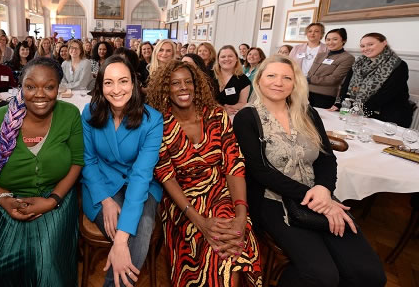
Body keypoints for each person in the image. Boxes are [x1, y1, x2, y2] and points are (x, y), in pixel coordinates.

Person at [233, 55, 386, 287]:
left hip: (318, 194)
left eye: (287, 77)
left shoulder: (308, 113)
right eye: (271, 75)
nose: (278, 82)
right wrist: (315, 198)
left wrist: (324, 190)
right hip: (272, 200)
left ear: (295, 83)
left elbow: (326, 158)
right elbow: (260, 171)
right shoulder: (247, 117)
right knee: (321, 275)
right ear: (259, 79)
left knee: (370, 274)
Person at [147, 61, 262, 286]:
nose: (183, 88)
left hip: (221, 192)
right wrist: (199, 221)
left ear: (197, 85)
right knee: (212, 246)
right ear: (165, 88)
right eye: (175, 83)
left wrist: (241, 215)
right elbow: (166, 175)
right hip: (182, 200)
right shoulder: (159, 124)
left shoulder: (217, 116)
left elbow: (234, 165)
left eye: (188, 82)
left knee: (232, 246)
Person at [0, 57, 84, 286]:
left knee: (47, 265)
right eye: (30, 86)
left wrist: (52, 200)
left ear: (58, 88)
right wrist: (4, 199)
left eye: (49, 87)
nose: (40, 94)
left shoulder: (70, 114)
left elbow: (77, 161)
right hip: (8, 198)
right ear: (20, 86)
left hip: (57, 196)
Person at [81, 55, 162, 287]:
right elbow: (88, 161)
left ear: (134, 84)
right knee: (127, 228)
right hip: (101, 186)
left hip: (140, 186)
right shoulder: (89, 113)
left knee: (143, 223)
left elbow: (141, 175)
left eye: (123, 81)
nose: (116, 89)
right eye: (109, 82)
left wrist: (119, 244)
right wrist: (105, 200)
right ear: (100, 86)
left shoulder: (152, 120)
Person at [334, 32, 415, 127]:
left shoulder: (398, 65)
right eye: (362, 46)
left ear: (384, 43)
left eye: (370, 44)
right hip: (359, 113)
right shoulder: (358, 64)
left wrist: (362, 111)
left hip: (389, 116)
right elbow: (346, 86)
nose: (366, 48)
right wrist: (339, 104)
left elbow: (387, 93)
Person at [307, 28, 355, 109]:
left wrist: (310, 79)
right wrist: (309, 78)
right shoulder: (321, 55)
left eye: (335, 39)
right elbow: (310, 73)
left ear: (344, 41)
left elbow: (333, 79)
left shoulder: (348, 58)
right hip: (306, 93)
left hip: (325, 96)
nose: (330, 42)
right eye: (328, 39)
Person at [213, 45, 251, 115]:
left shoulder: (243, 80)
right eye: (223, 57)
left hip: (230, 116)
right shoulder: (209, 75)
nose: (226, 59)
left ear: (236, 58)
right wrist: (221, 109)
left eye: (230, 56)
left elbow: (242, 103)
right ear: (218, 60)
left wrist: (231, 107)